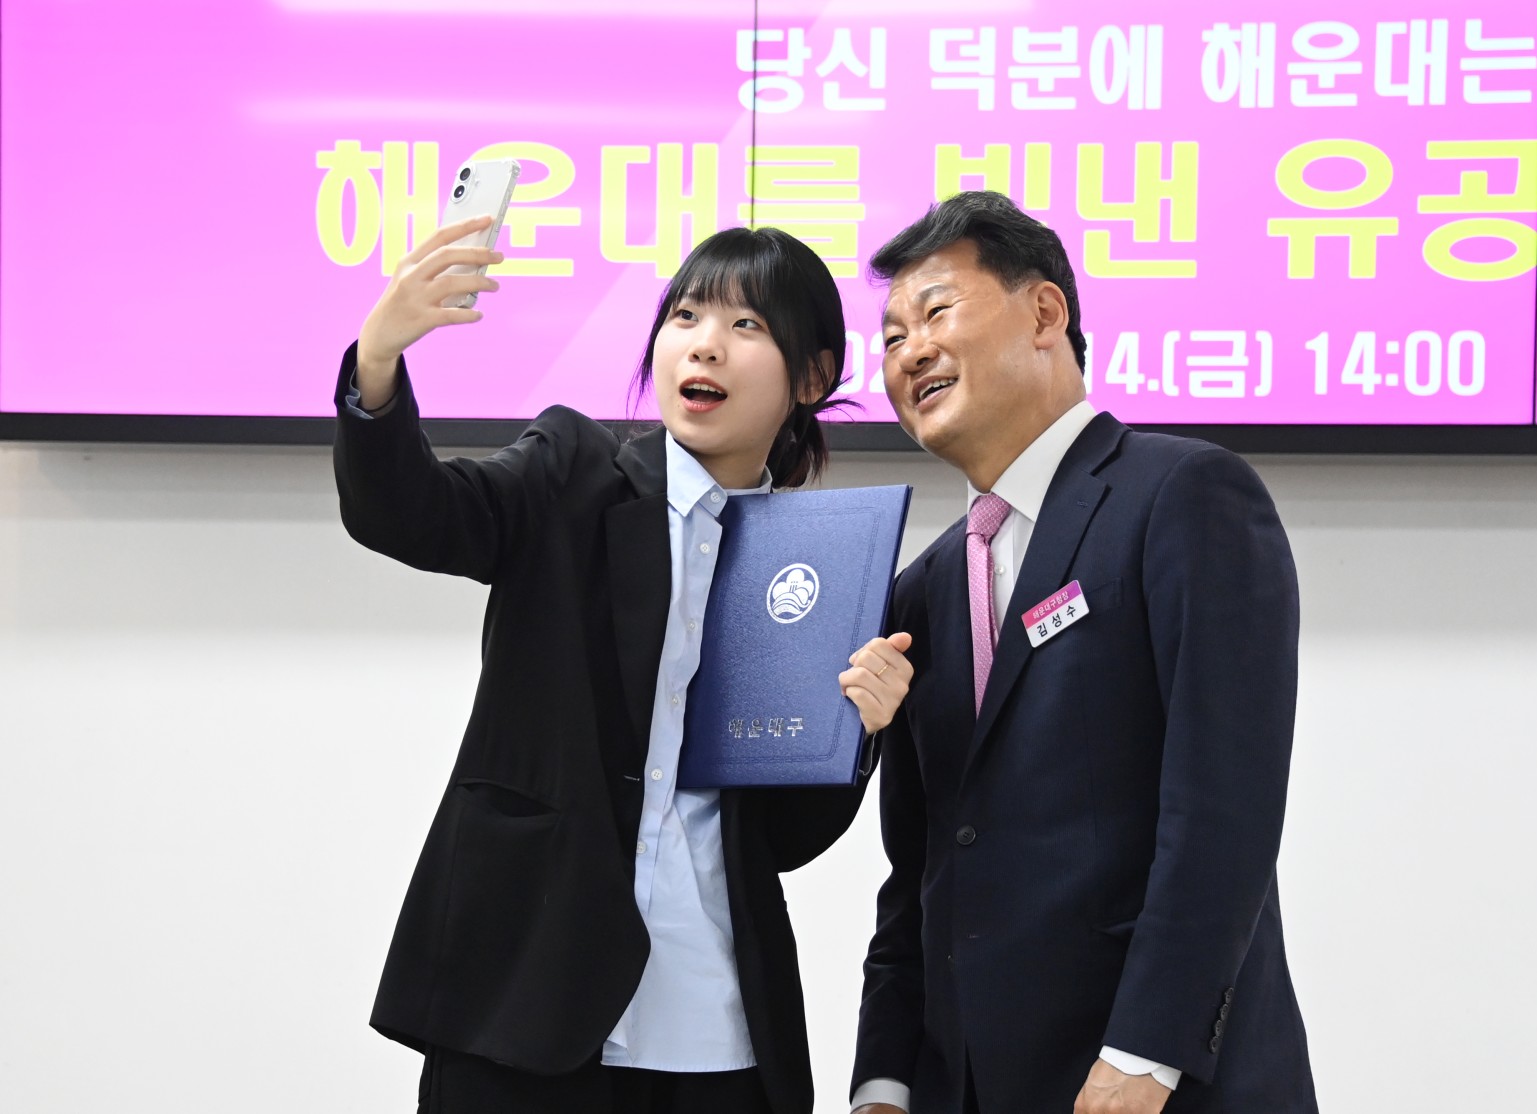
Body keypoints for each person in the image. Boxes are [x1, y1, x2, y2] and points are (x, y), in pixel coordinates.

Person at [334, 215, 912, 1114]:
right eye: (685, 316)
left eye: (746, 325)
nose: (705, 344)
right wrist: (377, 363)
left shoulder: (815, 564)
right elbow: (412, 512)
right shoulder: (572, 472)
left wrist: (860, 729)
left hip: (714, 1018)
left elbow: (780, 839)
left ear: (812, 377)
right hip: (526, 1000)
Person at [849, 192, 1316, 1114]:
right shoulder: (920, 590)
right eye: (893, 337)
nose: (910, 352)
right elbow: (924, 864)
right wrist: (885, 1079)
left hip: (1152, 1082)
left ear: (1045, 313)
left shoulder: (1183, 495)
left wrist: (1147, 1053)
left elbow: (1224, 807)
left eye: (937, 312)